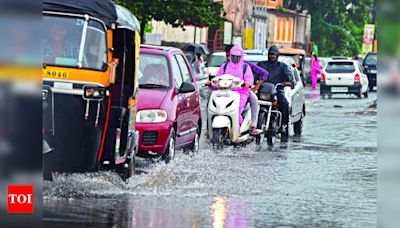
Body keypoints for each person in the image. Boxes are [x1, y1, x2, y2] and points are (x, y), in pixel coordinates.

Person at [224, 44, 269, 135]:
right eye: (228, 55)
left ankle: (253, 125)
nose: (230, 58)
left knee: (254, 100)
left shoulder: (246, 65)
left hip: (242, 91)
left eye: (232, 55)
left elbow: (264, 74)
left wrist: (254, 88)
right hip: (226, 92)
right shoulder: (225, 66)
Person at [257, 45, 295, 142]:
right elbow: (253, 74)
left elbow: (289, 77)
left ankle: (284, 126)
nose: (272, 56)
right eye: (270, 54)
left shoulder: (282, 66)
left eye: (274, 54)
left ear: (277, 55)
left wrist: (289, 82)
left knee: (285, 104)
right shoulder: (261, 64)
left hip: (277, 90)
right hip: (263, 91)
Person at [213, 45, 254, 128]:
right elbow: (217, 77)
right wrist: (211, 82)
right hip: (224, 92)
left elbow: (249, 79)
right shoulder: (224, 66)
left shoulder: (245, 67)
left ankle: (239, 128)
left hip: (241, 93)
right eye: (233, 56)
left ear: (241, 57)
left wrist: (247, 83)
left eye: (238, 56)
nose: (235, 58)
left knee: (236, 110)